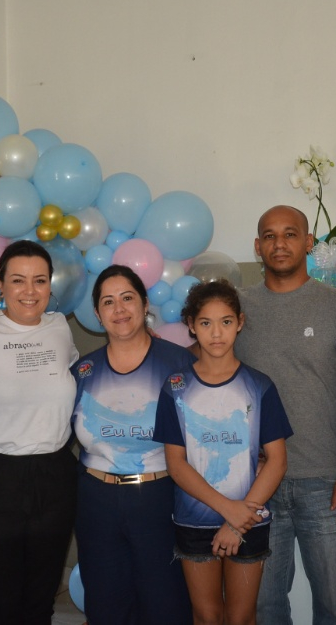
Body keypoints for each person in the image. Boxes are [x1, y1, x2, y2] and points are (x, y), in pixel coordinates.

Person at [234, 205, 336, 625]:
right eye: (269, 235)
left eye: (290, 234)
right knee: (266, 609)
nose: (279, 243)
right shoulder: (238, 311)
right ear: (257, 247)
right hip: (258, 484)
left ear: (309, 243)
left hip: (325, 481)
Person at [155, 279, 292, 625]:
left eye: (226, 322)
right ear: (191, 326)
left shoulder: (260, 386)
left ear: (240, 323)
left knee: (242, 617)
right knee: (206, 616)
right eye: (205, 323)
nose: (217, 333)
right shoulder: (175, 388)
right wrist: (226, 510)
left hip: (249, 519)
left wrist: (238, 518)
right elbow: (175, 462)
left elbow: (277, 461)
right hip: (195, 520)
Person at [0, 240, 78, 625]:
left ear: (50, 286)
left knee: (40, 599)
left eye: (40, 281)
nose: (30, 291)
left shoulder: (60, 328)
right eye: (18, 281)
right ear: (1, 285)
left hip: (56, 477)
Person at [71, 264, 193, 625]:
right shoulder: (83, 371)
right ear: (97, 314)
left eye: (127, 298)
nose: (119, 309)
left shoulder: (180, 363)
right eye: (108, 302)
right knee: (106, 604)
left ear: (144, 304)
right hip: (96, 502)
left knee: (165, 603)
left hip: (160, 498)